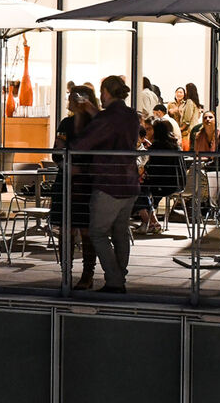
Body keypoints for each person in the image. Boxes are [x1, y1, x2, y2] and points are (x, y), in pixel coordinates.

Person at [67, 76, 140, 292]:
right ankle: (119, 279)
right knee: (120, 232)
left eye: (101, 91)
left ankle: (115, 280)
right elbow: (112, 128)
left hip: (109, 183)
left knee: (98, 233)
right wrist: (93, 112)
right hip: (129, 181)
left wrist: (70, 144)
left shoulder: (106, 118)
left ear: (106, 92)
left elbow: (84, 143)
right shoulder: (131, 115)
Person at [55, 87, 99, 288]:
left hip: (88, 181)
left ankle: (87, 274)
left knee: (86, 229)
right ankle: (66, 272)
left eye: (76, 97)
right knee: (66, 229)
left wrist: (89, 111)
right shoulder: (66, 123)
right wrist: (66, 163)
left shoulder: (95, 122)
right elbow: (57, 150)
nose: (72, 100)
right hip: (67, 179)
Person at [138, 116, 184, 236]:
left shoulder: (157, 147)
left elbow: (151, 168)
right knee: (141, 188)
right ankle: (149, 221)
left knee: (137, 188)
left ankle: (150, 221)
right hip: (178, 183)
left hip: (163, 184)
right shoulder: (175, 145)